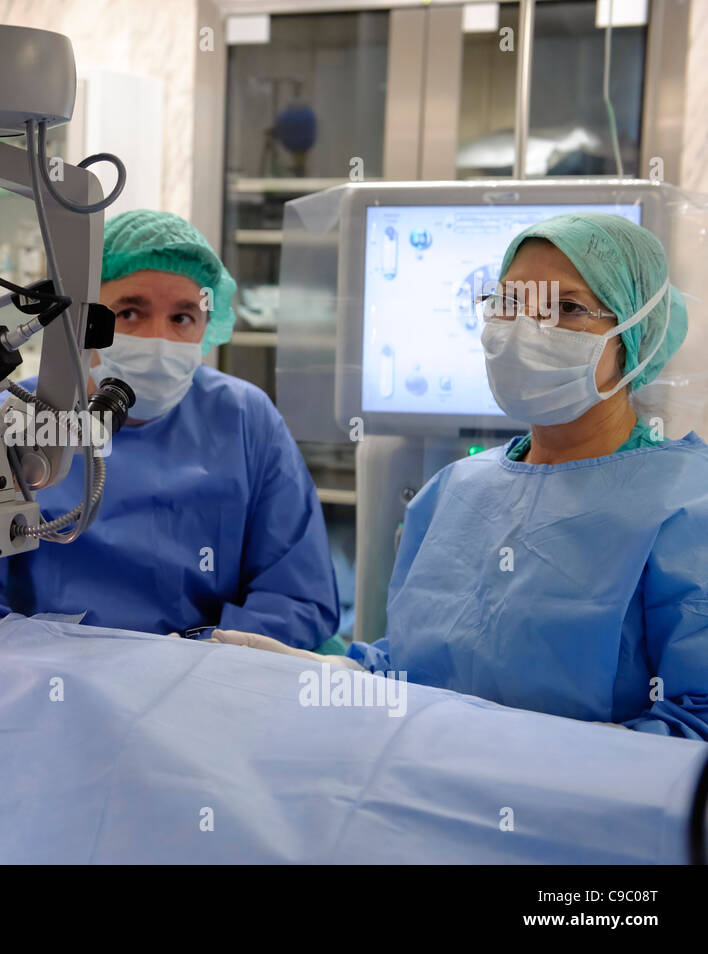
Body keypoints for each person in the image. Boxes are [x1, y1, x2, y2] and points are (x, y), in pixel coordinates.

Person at [210, 212, 708, 741]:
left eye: (566, 308)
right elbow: (413, 668)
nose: (525, 329)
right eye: (508, 303)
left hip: (588, 820)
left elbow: (693, 729)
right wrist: (345, 680)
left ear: (638, 336)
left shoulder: (685, 506)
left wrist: (534, 775)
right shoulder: (453, 492)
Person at [0, 210, 339, 673]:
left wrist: (197, 667)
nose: (159, 339)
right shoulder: (4, 419)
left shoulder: (245, 419)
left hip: (204, 694)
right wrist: (57, 674)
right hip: (42, 699)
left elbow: (296, 595)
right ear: (77, 319)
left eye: (183, 316)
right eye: (129, 312)